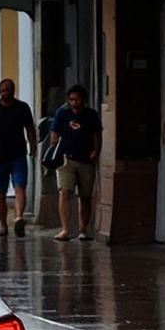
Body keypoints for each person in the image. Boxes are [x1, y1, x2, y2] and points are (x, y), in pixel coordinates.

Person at [0, 78, 39, 235]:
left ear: (14, 90)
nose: (6, 92)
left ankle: (18, 218)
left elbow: (30, 129)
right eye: (3, 89)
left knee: (20, 187)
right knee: (0, 192)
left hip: (18, 155)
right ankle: (3, 225)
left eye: (9, 89)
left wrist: (33, 146)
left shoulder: (22, 108)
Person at [44, 84, 104, 242]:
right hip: (66, 160)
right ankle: (65, 229)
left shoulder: (91, 115)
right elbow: (54, 134)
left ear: (82, 99)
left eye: (77, 99)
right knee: (64, 192)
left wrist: (95, 152)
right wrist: (56, 152)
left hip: (86, 160)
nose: (74, 103)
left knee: (85, 196)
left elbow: (97, 135)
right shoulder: (62, 114)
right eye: (71, 100)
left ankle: (83, 229)